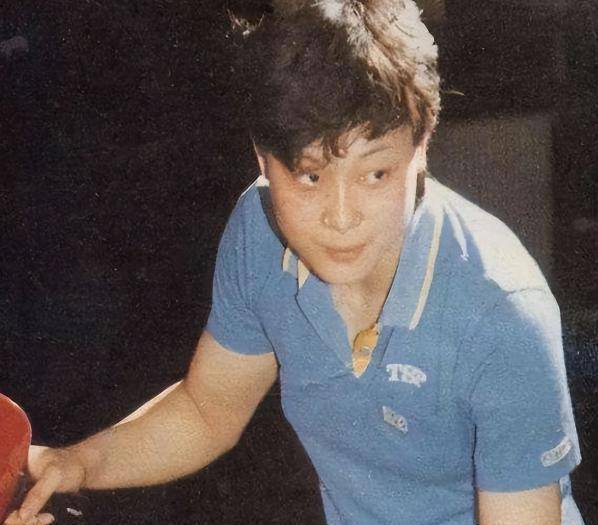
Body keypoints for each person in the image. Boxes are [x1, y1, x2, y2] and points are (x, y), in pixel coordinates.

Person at [5, 1, 584, 524]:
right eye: (309, 176)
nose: (342, 217)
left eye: (376, 173)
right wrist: (76, 463)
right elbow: (207, 412)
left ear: (422, 144)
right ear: (264, 160)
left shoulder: (504, 314)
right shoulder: (259, 233)